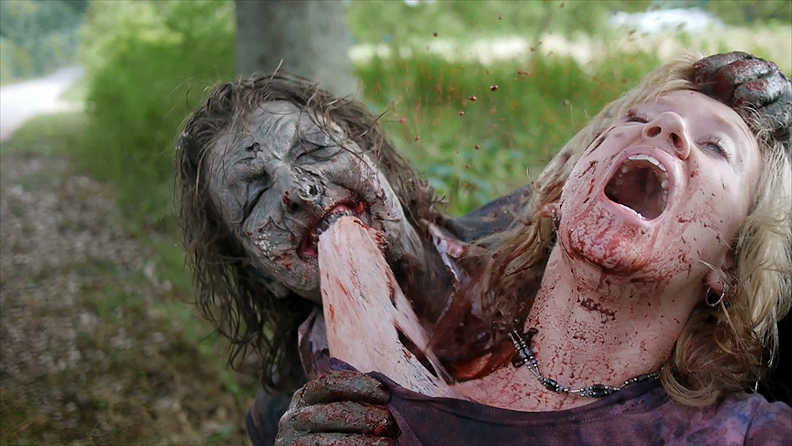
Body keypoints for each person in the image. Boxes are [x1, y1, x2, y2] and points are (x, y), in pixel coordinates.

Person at [273, 51, 792, 446]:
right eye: (637, 120)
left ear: (731, 262)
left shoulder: (744, 434)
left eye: (716, 146)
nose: (667, 127)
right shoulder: (393, 394)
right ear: (558, 195)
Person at [174, 72, 533, 443]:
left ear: (377, 159)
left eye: (313, 150)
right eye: (254, 197)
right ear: (262, 275)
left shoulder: (536, 240)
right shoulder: (286, 417)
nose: (298, 190)